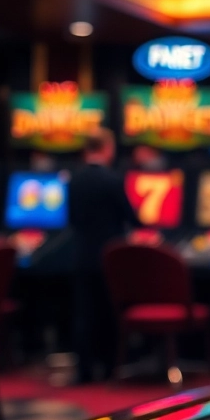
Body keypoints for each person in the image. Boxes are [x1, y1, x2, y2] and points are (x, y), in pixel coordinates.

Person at [69, 129, 137, 382]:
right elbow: (131, 218)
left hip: (82, 254)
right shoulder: (113, 180)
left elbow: (71, 219)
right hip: (111, 258)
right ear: (107, 148)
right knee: (109, 313)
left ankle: (84, 371)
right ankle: (110, 368)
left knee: (84, 314)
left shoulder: (74, 180)